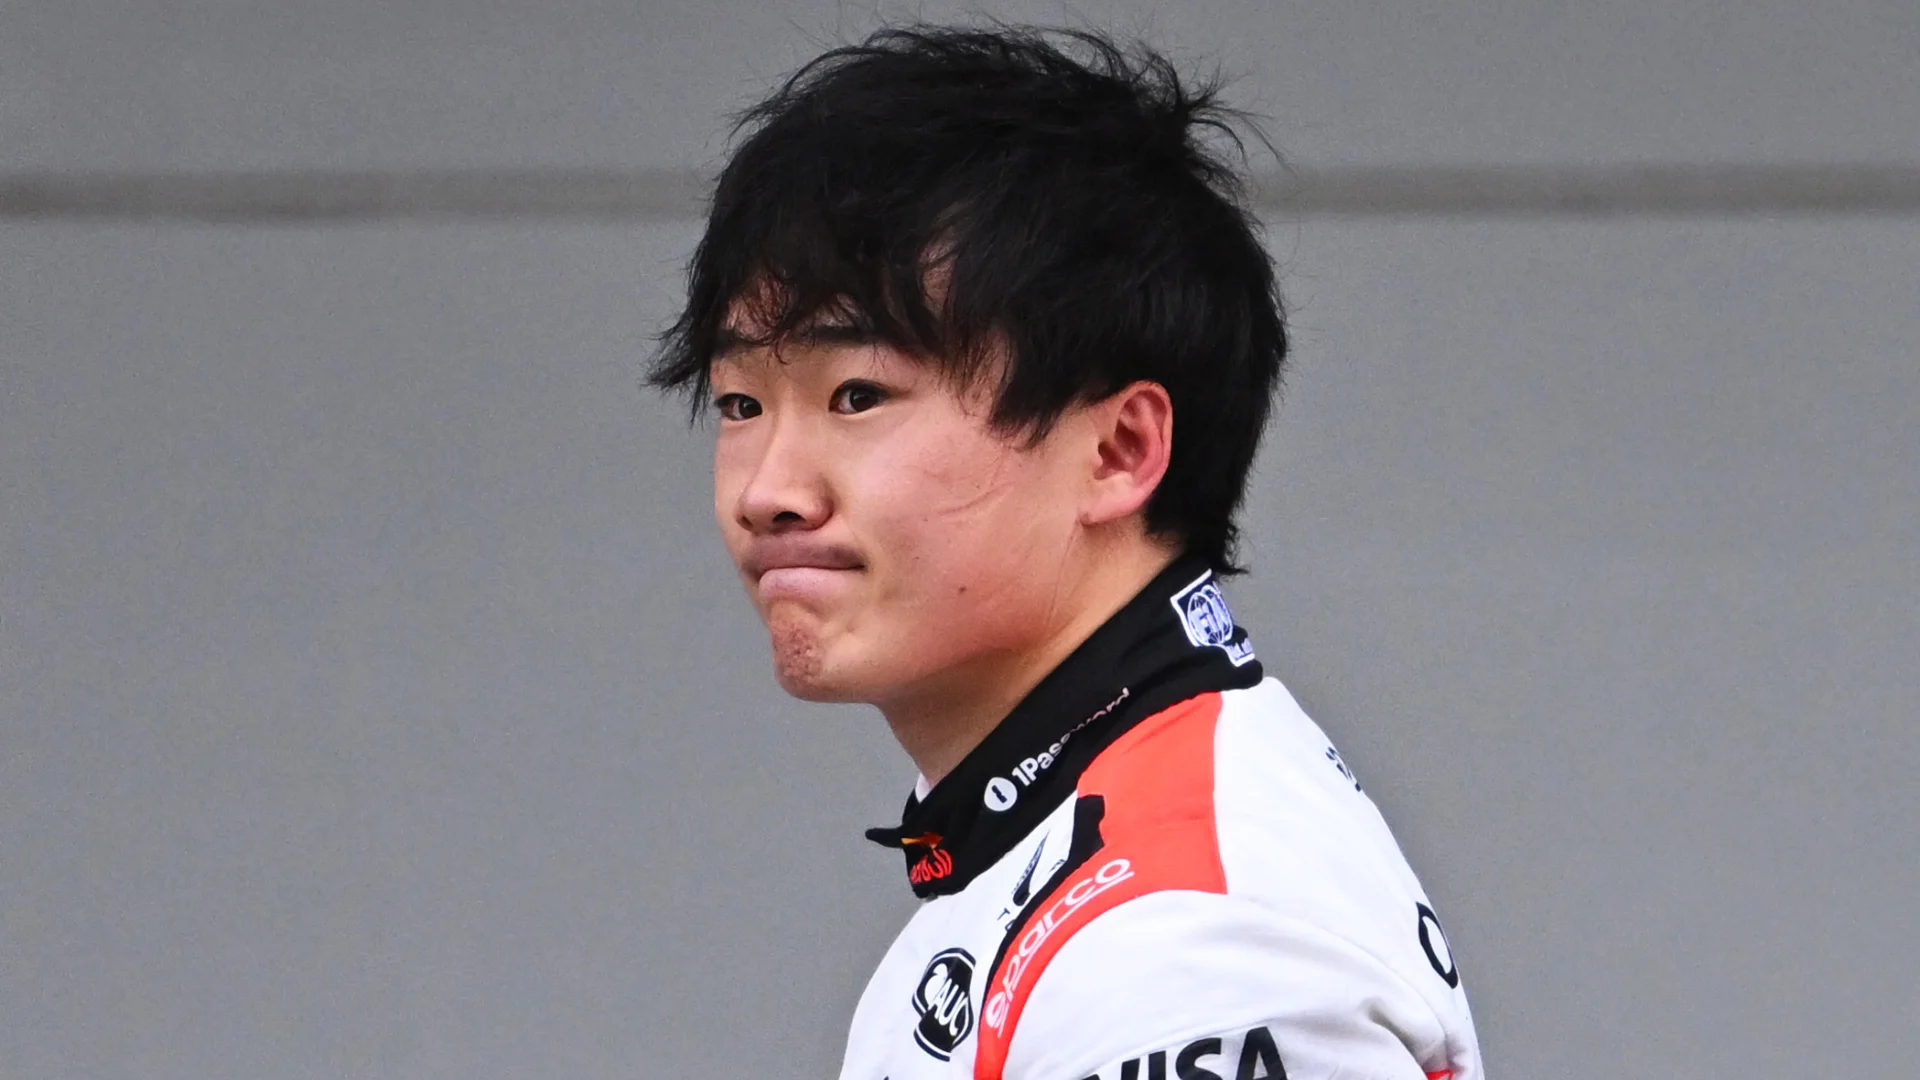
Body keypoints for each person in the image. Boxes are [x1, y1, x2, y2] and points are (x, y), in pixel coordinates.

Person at [650, 24, 1484, 1080]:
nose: (768, 490)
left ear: (1119, 450)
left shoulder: (1186, 939)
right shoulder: (1076, 854)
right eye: (738, 403)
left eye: (857, 394)